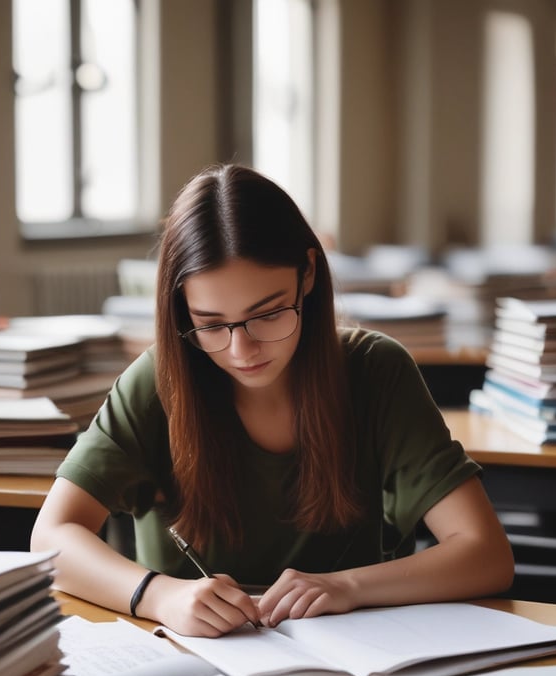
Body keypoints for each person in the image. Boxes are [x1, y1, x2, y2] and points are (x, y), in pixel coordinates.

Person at [31, 163, 514, 637]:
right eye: (212, 323)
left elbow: (485, 553)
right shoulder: (158, 381)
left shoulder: (375, 371)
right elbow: (51, 537)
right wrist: (160, 596)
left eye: (268, 314)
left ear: (307, 273)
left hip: (353, 663)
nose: (242, 351)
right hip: (189, 671)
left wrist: (348, 586)